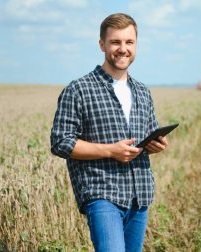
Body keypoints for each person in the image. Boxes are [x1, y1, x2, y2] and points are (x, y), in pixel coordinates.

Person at [50, 13, 168, 252]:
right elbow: (60, 142)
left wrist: (155, 144)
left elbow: (146, 137)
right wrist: (110, 151)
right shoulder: (78, 90)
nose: (122, 49)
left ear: (136, 45)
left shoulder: (143, 92)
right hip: (101, 194)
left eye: (129, 42)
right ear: (102, 44)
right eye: (115, 42)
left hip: (139, 195)